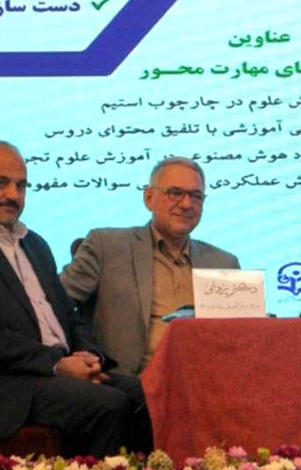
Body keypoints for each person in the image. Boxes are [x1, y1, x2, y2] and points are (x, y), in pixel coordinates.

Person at [0, 141, 151, 457]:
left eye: (21, 185)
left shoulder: (35, 244)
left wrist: (88, 356)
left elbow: (68, 316)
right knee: (110, 404)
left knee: (146, 394)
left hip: (53, 374)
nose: (13, 194)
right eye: (1, 183)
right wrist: (57, 364)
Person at [61, 157, 238, 375]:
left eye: (196, 196)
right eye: (175, 193)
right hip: (128, 383)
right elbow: (53, 304)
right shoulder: (107, 247)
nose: (186, 204)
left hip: (204, 381)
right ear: (148, 197)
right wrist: (76, 355)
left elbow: (239, 337)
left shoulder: (223, 264)